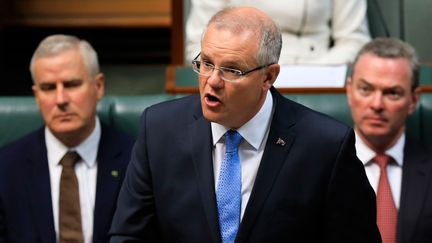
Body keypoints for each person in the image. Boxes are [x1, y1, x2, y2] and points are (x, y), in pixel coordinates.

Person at [110, 7, 380, 242]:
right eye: (206, 63)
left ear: (268, 77)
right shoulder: (159, 130)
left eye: (231, 71)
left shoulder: (325, 146)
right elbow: (130, 236)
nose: (212, 81)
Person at [0, 34, 134, 243]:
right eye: (48, 88)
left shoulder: (137, 160)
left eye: (71, 85)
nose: (60, 100)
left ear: (98, 86)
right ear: (36, 96)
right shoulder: (6, 168)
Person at [346, 37, 432, 243]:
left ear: (413, 100)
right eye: (366, 89)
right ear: (349, 91)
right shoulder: (317, 167)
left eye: (392, 93)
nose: (376, 104)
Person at [185, 0, 371, 65]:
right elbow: (197, 45)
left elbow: (354, 40)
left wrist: (315, 73)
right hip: (241, 75)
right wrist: (236, 72)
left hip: (315, 73)